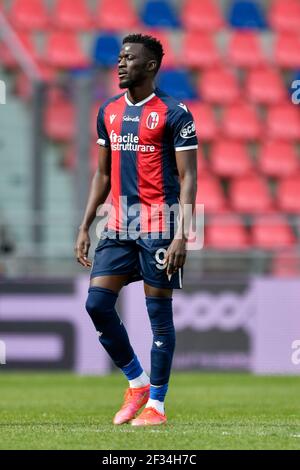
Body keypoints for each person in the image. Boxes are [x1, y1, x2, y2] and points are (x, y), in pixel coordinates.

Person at [75, 34, 198, 426]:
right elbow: (102, 172)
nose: (121, 63)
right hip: (118, 223)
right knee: (96, 304)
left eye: (130, 58)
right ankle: (137, 382)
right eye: (120, 57)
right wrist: (85, 223)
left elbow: (189, 178)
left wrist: (183, 234)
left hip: (160, 224)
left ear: (151, 66)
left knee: (158, 315)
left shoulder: (175, 113)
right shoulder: (108, 111)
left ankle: (157, 407)